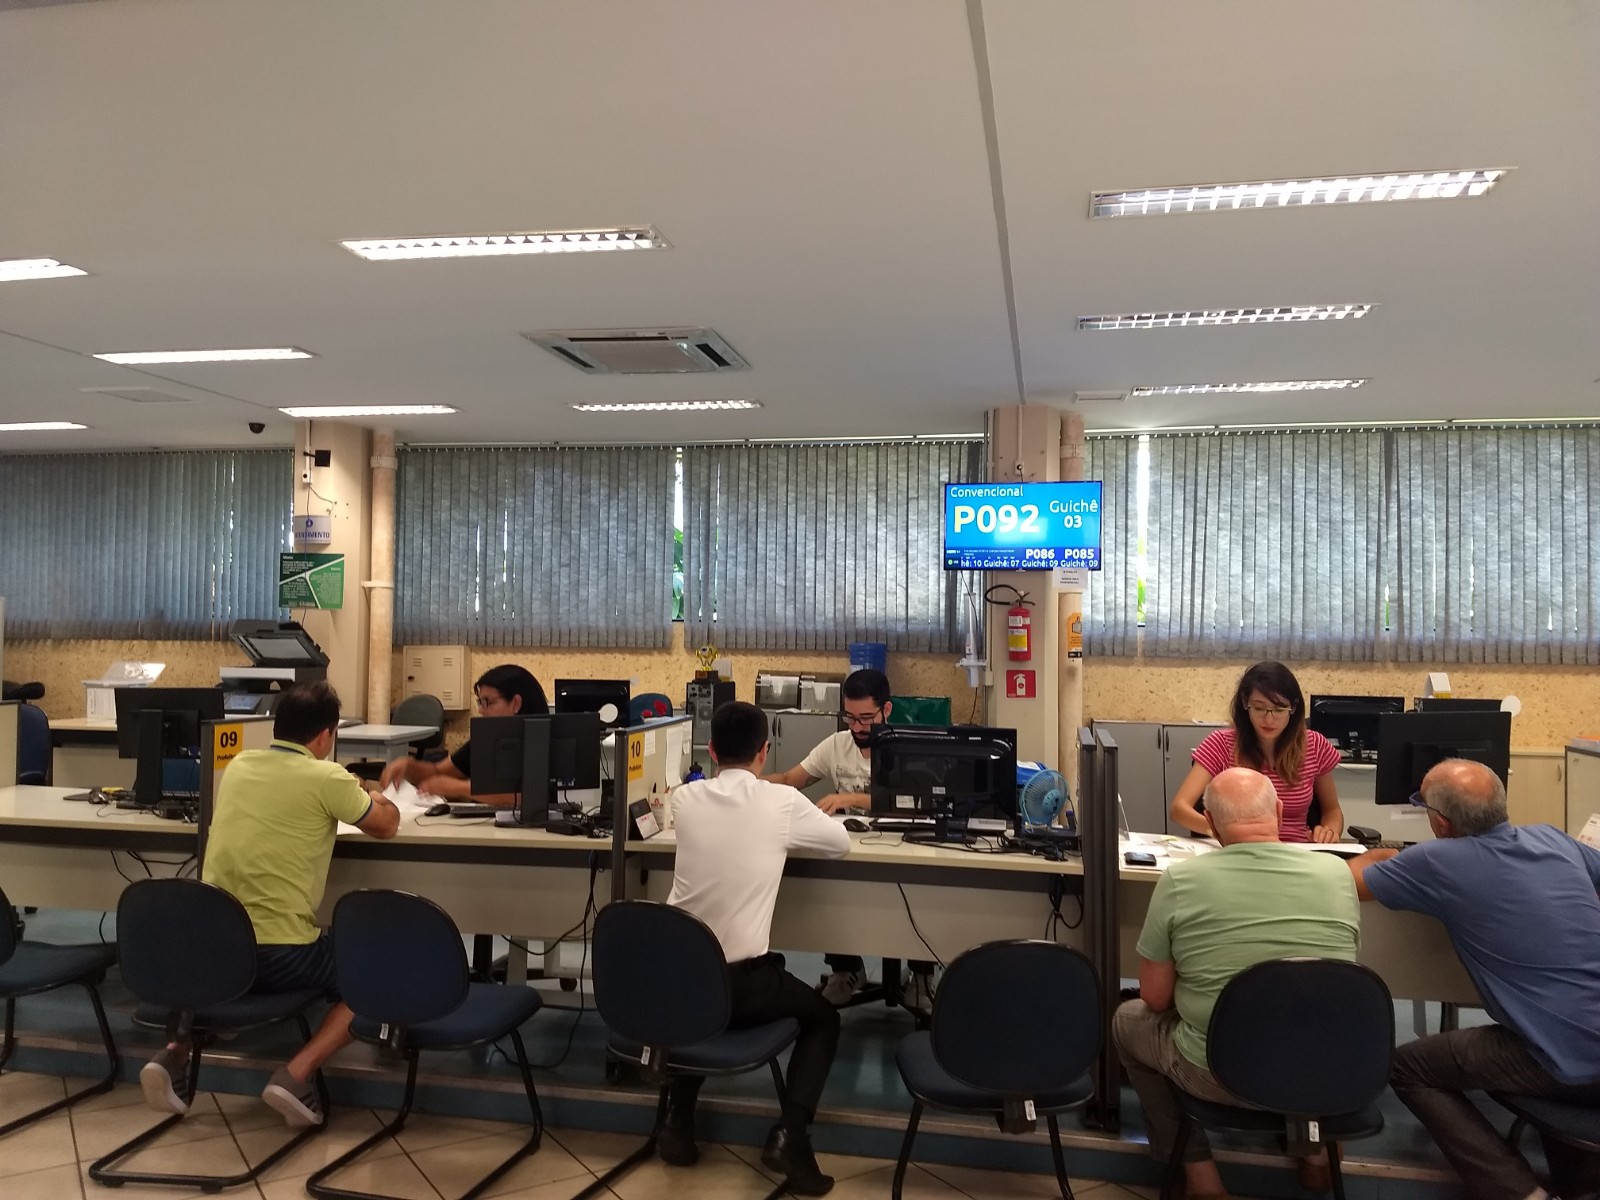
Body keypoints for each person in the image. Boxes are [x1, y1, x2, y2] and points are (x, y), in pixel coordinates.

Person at [140, 681, 400, 1126]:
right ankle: (296, 1075)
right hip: (281, 954)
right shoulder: (328, 777)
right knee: (374, 970)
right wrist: (374, 794)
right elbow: (386, 825)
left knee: (220, 961)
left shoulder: (240, 765)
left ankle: (174, 1052)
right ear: (327, 735)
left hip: (217, 948)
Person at [1347, 759, 1600, 1200]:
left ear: (1440, 822)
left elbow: (1348, 882)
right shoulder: (1553, 839)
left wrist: (1380, 857)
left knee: (1407, 1068)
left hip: (1566, 1059)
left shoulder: (1438, 860)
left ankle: (1519, 1193)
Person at [1115, 768, 1360, 1198]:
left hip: (1220, 1074)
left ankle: (1202, 1180)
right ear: (1280, 811)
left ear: (1209, 822)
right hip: (1323, 1071)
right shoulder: (1336, 873)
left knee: (1127, 1019)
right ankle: (1314, 1154)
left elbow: (1155, 998)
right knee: (1299, 1025)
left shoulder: (1180, 880)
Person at [664, 701, 850, 1195]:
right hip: (743, 988)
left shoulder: (686, 798)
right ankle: (790, 1134)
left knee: (698, 1009)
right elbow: (840, 844)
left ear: (710, 751)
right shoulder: (781, 802)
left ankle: (677, 1122)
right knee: (823, 1019)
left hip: (681, 982)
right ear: (764, 752)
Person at [763, 668, 936, 1010]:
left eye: (865, 718)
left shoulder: (907, 746)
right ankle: (845, 970)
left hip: (905, 849)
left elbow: (919, 800)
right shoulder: (837, 745)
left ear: (886, 710)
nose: (856, 727)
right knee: (831, 889)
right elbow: (790, 778)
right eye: (850, 717)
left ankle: (921, 976)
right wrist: (742, 779)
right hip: (851, 849)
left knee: (923, 895)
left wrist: (851, 798)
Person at [1170, 660, 1344, 844]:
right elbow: (1179, 809)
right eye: (1259, 708)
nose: (1269, 719)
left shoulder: (1315, 745)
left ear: (1293, 708)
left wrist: (1329, 831)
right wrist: (1219, 831)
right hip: (1238, 850)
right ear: (1245, 704)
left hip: (1296, 850)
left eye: (1279, 709)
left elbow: (1332, 811)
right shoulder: (1220, 744)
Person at [379, 663, 548, 805]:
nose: (481, 710)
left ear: (516, 703)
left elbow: (531, 795)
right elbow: (438, 773)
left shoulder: (543, 742)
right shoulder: (485, 739)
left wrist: (459, 788)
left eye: (488, 702)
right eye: (480, 702)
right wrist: (409, 766)